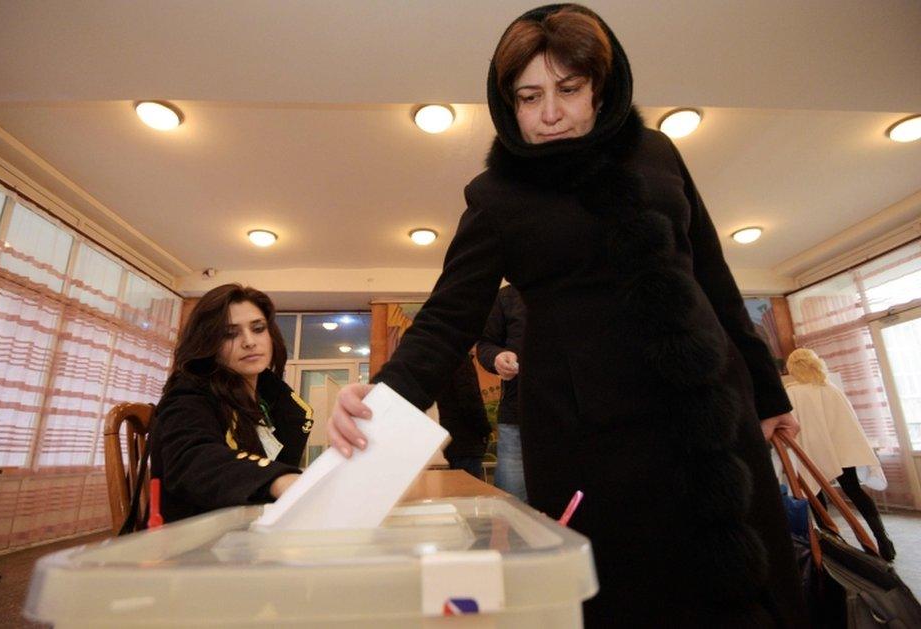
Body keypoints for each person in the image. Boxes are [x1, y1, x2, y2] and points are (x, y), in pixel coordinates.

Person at [328, 5, 805, 626]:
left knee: (747, 573)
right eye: (529, 97)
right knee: (632, 595)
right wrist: (382, 401)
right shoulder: (496, 197)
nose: (550, 113)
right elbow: (448, 318)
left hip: (709, 406)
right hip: (593, 429)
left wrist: (768, 392)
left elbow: (712, 276)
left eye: (569, 90)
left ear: (600, 89)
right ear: (507, 105)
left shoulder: (658, 152)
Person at [150, 284, 313, 523]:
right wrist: (278, 479)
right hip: (197, 544)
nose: (249, 342)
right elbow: (193, 459)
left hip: (252, 534)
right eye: (230, 334)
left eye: (258, 329)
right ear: (209, 343)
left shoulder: (274, 400)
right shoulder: (188, 394)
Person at [785, 348, 895, 561]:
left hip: (811, 452)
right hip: (840, 450)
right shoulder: (831, 389)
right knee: (854, 490)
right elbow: (848, 424)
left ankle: (835, 545)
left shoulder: (792, 393)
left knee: (817, 494)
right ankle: (883, 539)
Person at [476, 284, 528, 500]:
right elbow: (485, 345)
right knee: (512, 504)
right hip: (516, 414)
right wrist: (496, 357)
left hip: (576, 417)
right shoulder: (507, 296)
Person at [434, 353, 492, 479]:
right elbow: (470, 400)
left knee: (458, 488)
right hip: (468, 438)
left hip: (452, 437)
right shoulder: (461, 362)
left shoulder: (443, 361)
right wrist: (485, 430)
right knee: (471, 491)